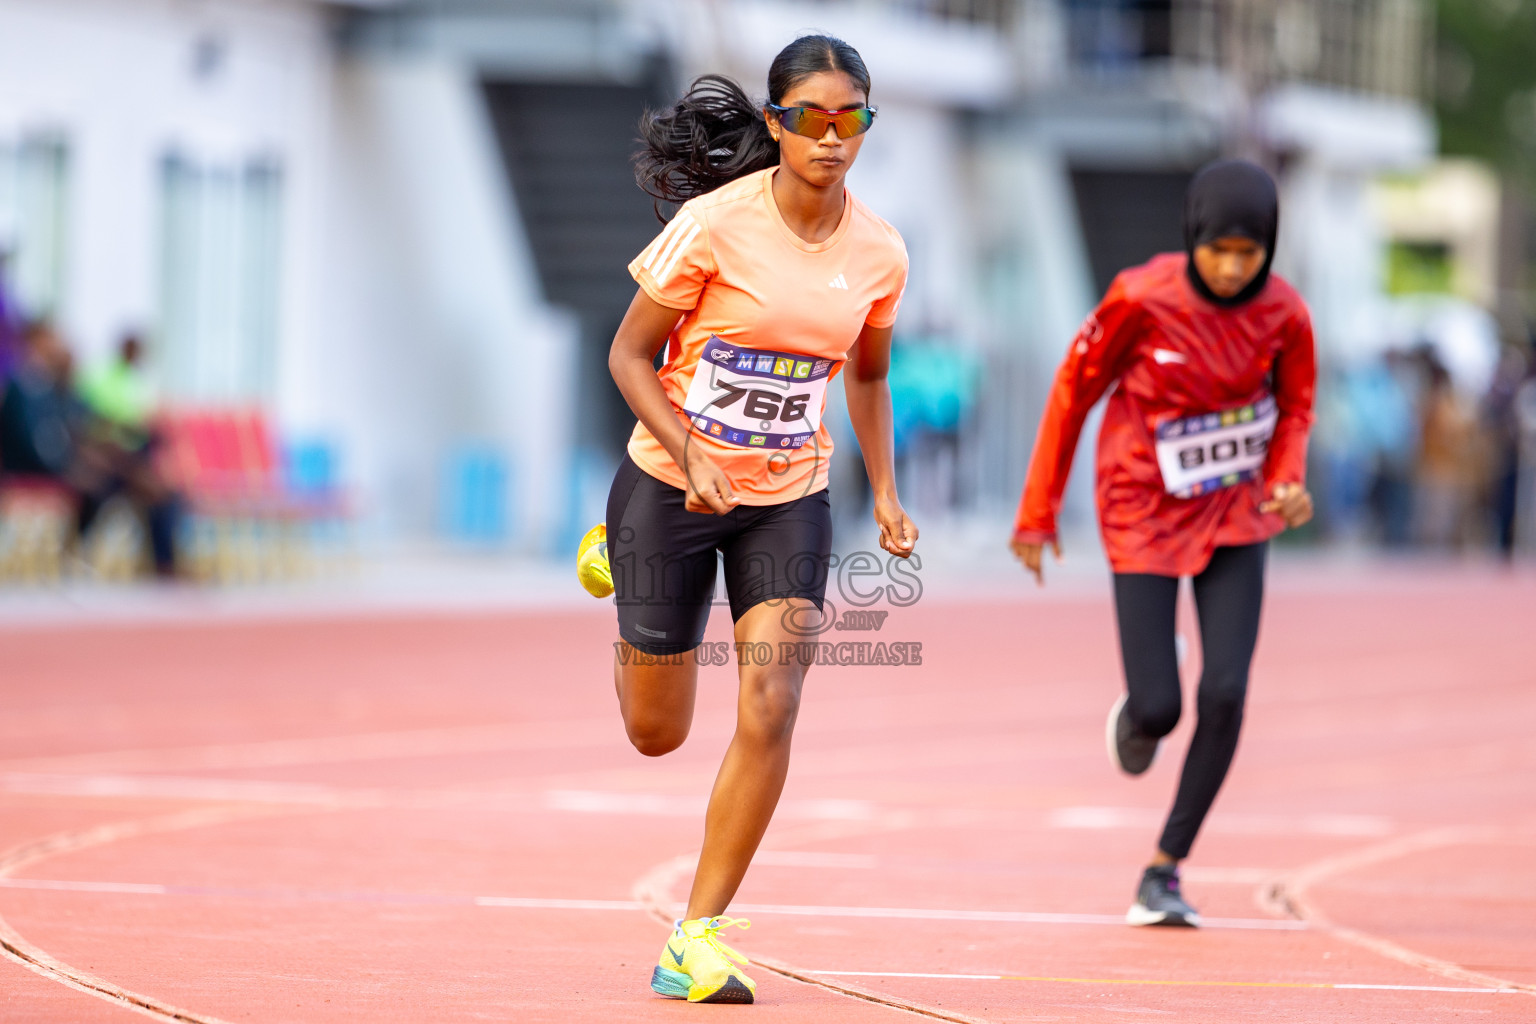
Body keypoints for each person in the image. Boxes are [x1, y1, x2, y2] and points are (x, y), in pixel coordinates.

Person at [575, 35, 916, 1003]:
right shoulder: (716, 225)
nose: (831, 136)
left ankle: (696, 935)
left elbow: (871, 370)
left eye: (850, 118)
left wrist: (885, 491)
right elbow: (629, 357)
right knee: (656, 733)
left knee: (773, 699)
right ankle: (621, 568)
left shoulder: (881, 249)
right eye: (810, 116)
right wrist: (688, 455)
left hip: (790, 498)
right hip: (671, 485)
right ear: (777, 123)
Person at [1010, 160, 1316, 928]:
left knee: (1227, 692)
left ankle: (1165, 867)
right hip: (1141, 501)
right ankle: (1143, 711)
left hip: (1237, 514)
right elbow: (1073, 390)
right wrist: (1037, 511)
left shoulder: (1285, 314)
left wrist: (1286, 477)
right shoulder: (1141, 297)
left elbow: (1296, 405)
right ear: (1193, 240)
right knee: (1161, 707)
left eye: (1251, 253)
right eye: (1221, 251)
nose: (1235, 267)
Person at [0, 321, 182, 576]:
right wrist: (70, 464)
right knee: (99, 481)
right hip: (36, 467)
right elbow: (34, 442)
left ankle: (164, 563)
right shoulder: (24, 387)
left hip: (73, 462)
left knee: (136, 479)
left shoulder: (61, 389)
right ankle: (71, 553)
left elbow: (87, 423)